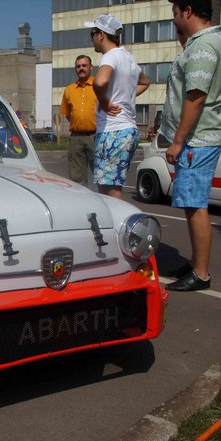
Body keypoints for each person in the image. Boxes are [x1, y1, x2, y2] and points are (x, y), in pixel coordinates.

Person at [161, 0, 221, 291]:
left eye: (174, 13)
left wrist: (177, 140)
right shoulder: (203, 43)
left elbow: (195, 97)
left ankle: (200, 273)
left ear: (187, 11)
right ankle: (197, 263)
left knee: (195, 205)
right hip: (197, 138)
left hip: (197, 140)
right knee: (191, 204)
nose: (174, 20)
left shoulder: (202, 47)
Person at [86, 14, 151, 199]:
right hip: (127, 129)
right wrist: (126, 97)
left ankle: (118, 227)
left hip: (113, 131)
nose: (91, 39)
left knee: (110, 191)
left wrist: (105, 102)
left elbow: (99, 82)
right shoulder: (128, 57)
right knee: (110, 186)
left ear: (101, 35)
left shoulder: (111, 56)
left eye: (92, 34)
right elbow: (145, 82)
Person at [60, 55, 97, 186]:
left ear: (91, 67)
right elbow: (68, 114)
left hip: (96, 136)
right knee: (76, 179)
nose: (81, 68)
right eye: (78, 66)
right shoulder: (69, 90)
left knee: (101, 175)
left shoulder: (99, 86)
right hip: (76, 138)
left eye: (84, 66)